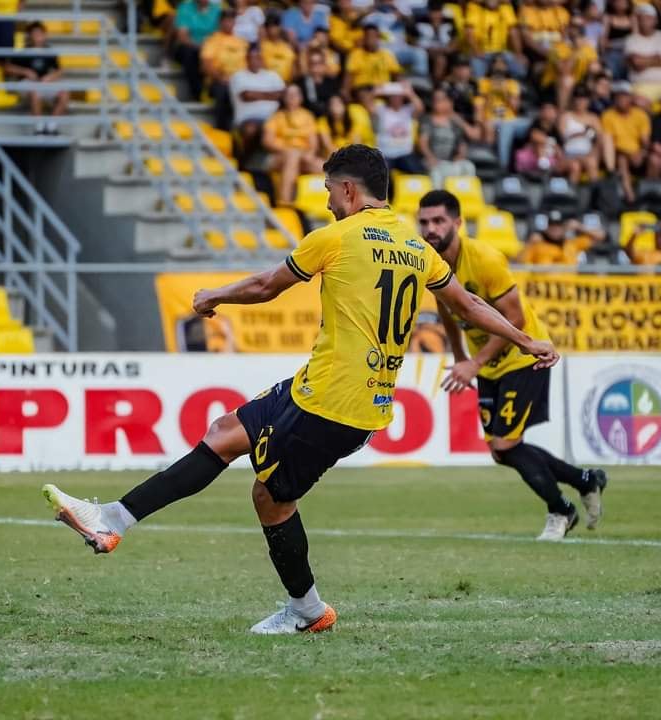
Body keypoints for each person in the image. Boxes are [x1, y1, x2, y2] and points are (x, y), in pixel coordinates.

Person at [41, 144, 559, 634]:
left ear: (351, 191)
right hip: (338, 391)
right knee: (225, 433)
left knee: (271, 497)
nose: (328, 201)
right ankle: (110, 519)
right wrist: (524, 339)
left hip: (331, 402)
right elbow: (468, 304)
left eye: (331, 190)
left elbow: (268, 286)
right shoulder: (415, 247)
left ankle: (306, 611)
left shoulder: (336, 237)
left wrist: (213, 295)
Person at [419, 190, 606, 541]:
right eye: (424, 222)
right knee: (501, 452)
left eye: (438, 220)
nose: (430, 228)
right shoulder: (433, 264)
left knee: (505, 445)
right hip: (488, 363)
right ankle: (585, 480)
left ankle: (561, 511)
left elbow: (516, 317)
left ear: (457, 223)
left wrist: (474, 362)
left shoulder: (485, 258)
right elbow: (446, 310)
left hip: (525, 356)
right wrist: (461, 358)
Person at [262, 84, 323, 206]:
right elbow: (267, 141)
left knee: (325, 166)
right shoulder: (276, 117)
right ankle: (285, 200)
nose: (292, 97)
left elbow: (313, 143)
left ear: (301, 98)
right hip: (279, 157)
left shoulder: (307, 116)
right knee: (292, 155)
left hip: (302, 156)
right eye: (289, 95)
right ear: (284, 98)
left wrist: (308, 155)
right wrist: (288, 150)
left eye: (295, 94)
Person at [5, 22, 67, 135]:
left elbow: (59, 70)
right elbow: (8, 68)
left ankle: (52, 126)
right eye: (35, 33)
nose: (38, 36)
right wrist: (25, 72)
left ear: (45, 35)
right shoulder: (23, 51)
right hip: (25, 82)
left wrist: (50, 77)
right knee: (35, 92)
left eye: (40, 33)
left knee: (64, 94)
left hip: (43, 82)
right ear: (29, 36)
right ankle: (38, 127)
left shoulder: (49, 51)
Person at [418, 86, 476, 190]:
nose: (438, 102)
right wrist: (430, 157)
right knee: (436, 172)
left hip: (450, 161)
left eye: (441, 99)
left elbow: (467, 139)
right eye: (435, 99)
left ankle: (464, 198)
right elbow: (423, 143)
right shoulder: (427, 120)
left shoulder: (455, 122)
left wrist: (460, 155)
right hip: (433, 160)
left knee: (468, 166)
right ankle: (438, 201)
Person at [600, 81, 650, 202]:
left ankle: (650, 195)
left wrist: (642, 152)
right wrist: (629, 153)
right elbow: (609, 142)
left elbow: (645, 140)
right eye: (618, 96)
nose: (621, 99)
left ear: (631, 98)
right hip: (618, 153)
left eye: (625, 96)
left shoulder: (640, 115)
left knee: (654, 160)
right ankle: (630, 196)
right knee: (622, 159)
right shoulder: (608, 115)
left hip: (638, 153)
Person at [624, 3, 661, 104]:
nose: (645, 22)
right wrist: (660, 59)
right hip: (642, 86)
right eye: (642, 19)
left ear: (656, 20)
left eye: (649, 18)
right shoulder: (631, 40)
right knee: (639, 102)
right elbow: (637, 63)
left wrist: (647, 60)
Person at [202, 9, 248, 130]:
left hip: (240, 81)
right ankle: (222, 129)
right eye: (226, 21)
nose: (229, 23)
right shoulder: (212, 40)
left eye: (231, 20)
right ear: (220, 22)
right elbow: (206, 64)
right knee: (224, 91)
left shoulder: (242, 42)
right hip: (218, 81)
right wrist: (221, 77)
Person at [172, 0, 220, 100]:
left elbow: (218, 35)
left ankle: (211, 91)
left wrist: (207, 48)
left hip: (211, 48)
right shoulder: (185, 8)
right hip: (190, 46)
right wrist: (200, 46)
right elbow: (183, 36)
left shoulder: (217, 10)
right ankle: (197, 93)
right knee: (191, 54)